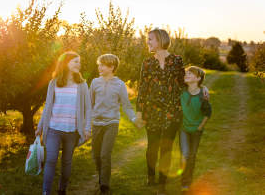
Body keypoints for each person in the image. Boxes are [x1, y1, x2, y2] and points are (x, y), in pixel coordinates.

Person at [136, 28, 208, 195]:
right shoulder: (147, 63)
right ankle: (151, 176)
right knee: (152, 147)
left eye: (150, 39)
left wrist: (202, 87)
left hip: (172, 112)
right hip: (152, 112)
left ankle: (162, 185)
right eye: (148, 39)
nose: (148, 42)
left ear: (160, 41)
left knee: (166, 148)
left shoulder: (176, 61)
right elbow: (143, 89)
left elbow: (185, 82)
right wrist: (139, 112)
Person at [35, 51, 92, 195]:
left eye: (79, 62)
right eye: (75, 61)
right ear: (66, 63)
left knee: (67, 162)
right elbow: (47, 106)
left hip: (72, 131)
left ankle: (62, 189)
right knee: (51, 160)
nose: (79, 64)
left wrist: (87, 128)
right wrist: (40, 126)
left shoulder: (82, 85)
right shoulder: (54, 83)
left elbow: (88, 108)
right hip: (54, 128)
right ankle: (46, 192)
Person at [90, 54, 138, 195]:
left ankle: (104, 186)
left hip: (111, 123)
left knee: (105, 154)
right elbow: (89, 104)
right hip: (96, 123)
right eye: (99, 64)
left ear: (111, 67)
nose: (99, 67)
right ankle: (101, 178)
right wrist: (85, 122)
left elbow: (126, 105)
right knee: (96, 155)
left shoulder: (120, 84)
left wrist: (134, 119)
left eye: (102, 65)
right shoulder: (94, 82)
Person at [179, 66, 212, 193]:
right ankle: (185, 183)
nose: (186, 74)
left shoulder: (202, 95)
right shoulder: (182, 91)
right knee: (185, 154)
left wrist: (200, 127)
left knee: (192, 156)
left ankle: (188, 180)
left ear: (198, 78)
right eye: (186, 73)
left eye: (190, 73)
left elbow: (208, 113)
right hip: (183, 129)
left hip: (196, 130)